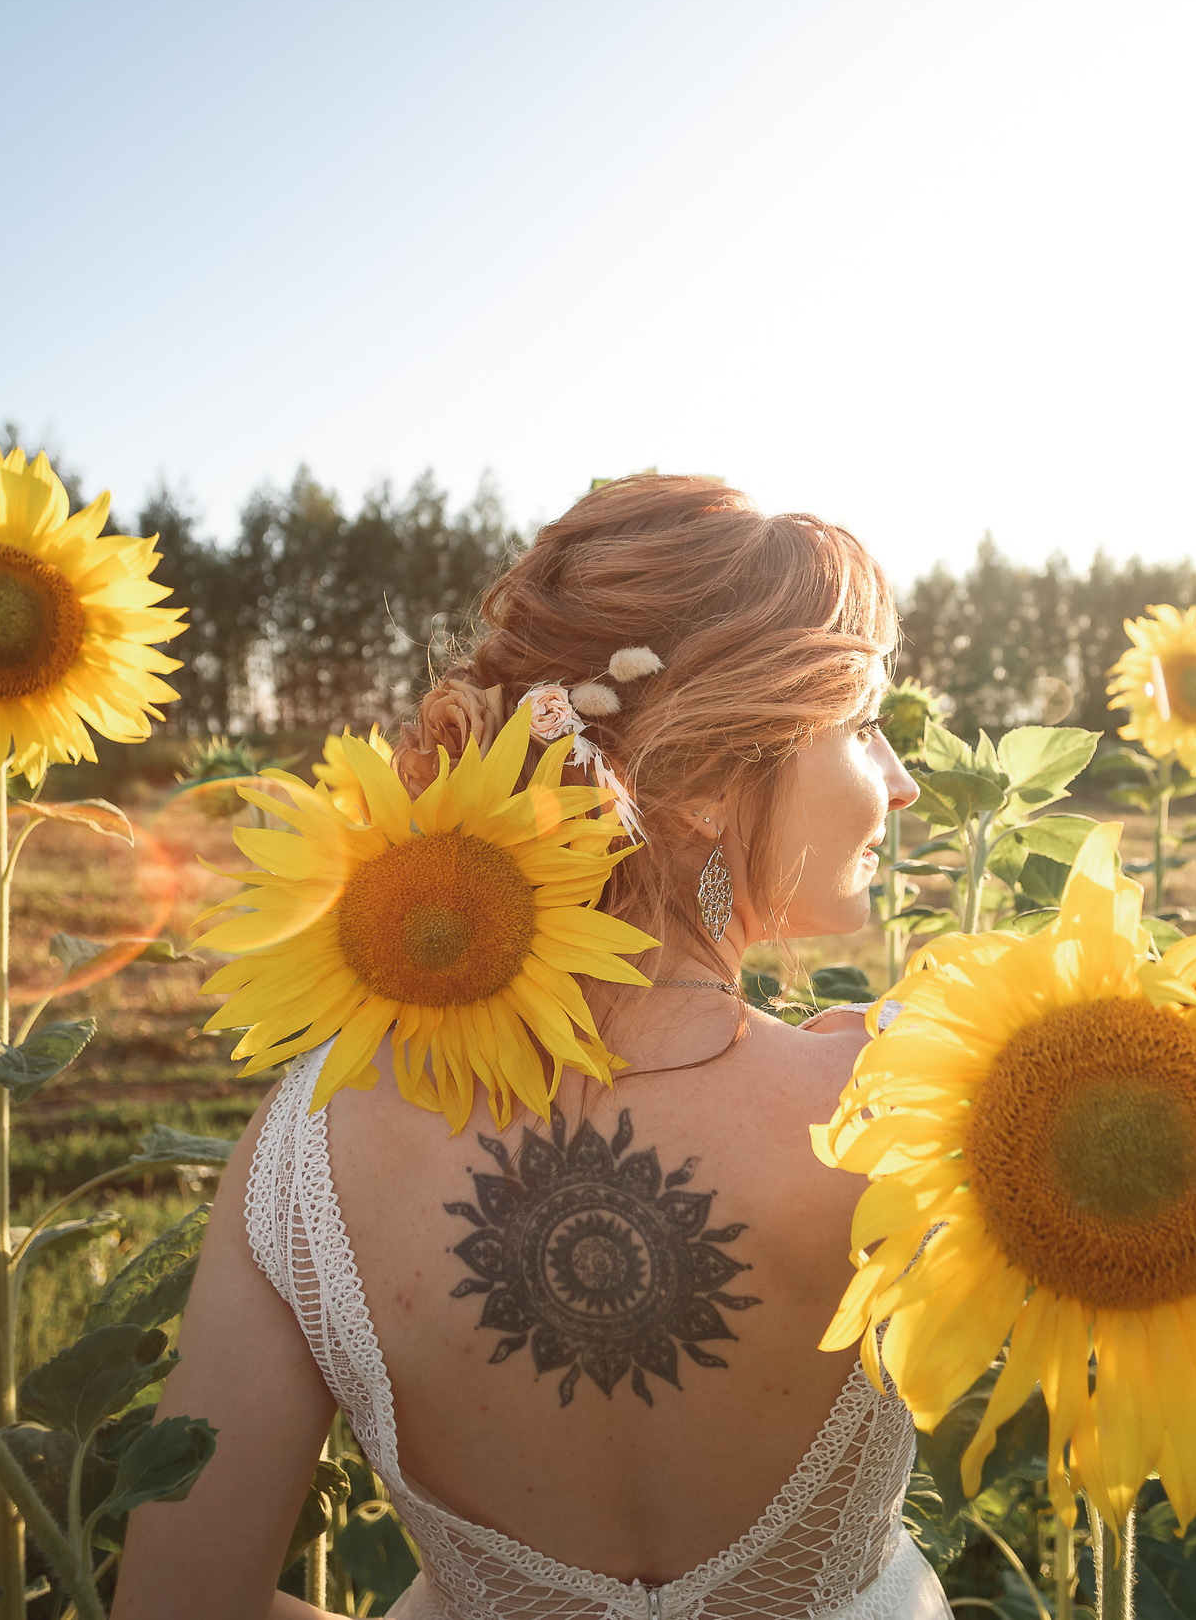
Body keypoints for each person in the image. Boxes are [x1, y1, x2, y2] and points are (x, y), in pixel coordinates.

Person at [113, 475, 937, 1620]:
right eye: (860, 726)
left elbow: (175, 1607)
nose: (898, 782)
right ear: (700, 779)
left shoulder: (312, 1143)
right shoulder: (907, 1100)